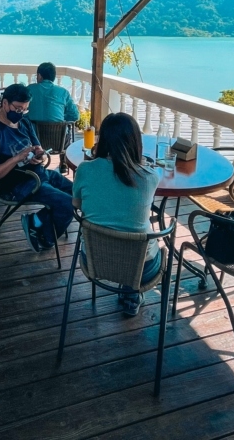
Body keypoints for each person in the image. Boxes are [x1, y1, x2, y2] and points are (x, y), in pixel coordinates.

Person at [73, 113, 161, 317]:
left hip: (95, 259)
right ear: (136, 142)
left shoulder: (85, 169)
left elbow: (76, 203)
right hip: (141, 269)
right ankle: (131, 295)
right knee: (145, 236)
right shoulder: (149, 177)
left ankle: (129, 292)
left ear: (102, 139)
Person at [0, 83, 74, 253]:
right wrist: (17, 158)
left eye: (24, 109)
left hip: (39, 174)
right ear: (5, 104)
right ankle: (45, 237)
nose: (20, 113)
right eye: (17, 109)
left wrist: (38, 156)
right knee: (68, 204)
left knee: (78, 193)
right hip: (16, 185)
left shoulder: (24, 122)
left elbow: (37, 148)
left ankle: (36, 221)